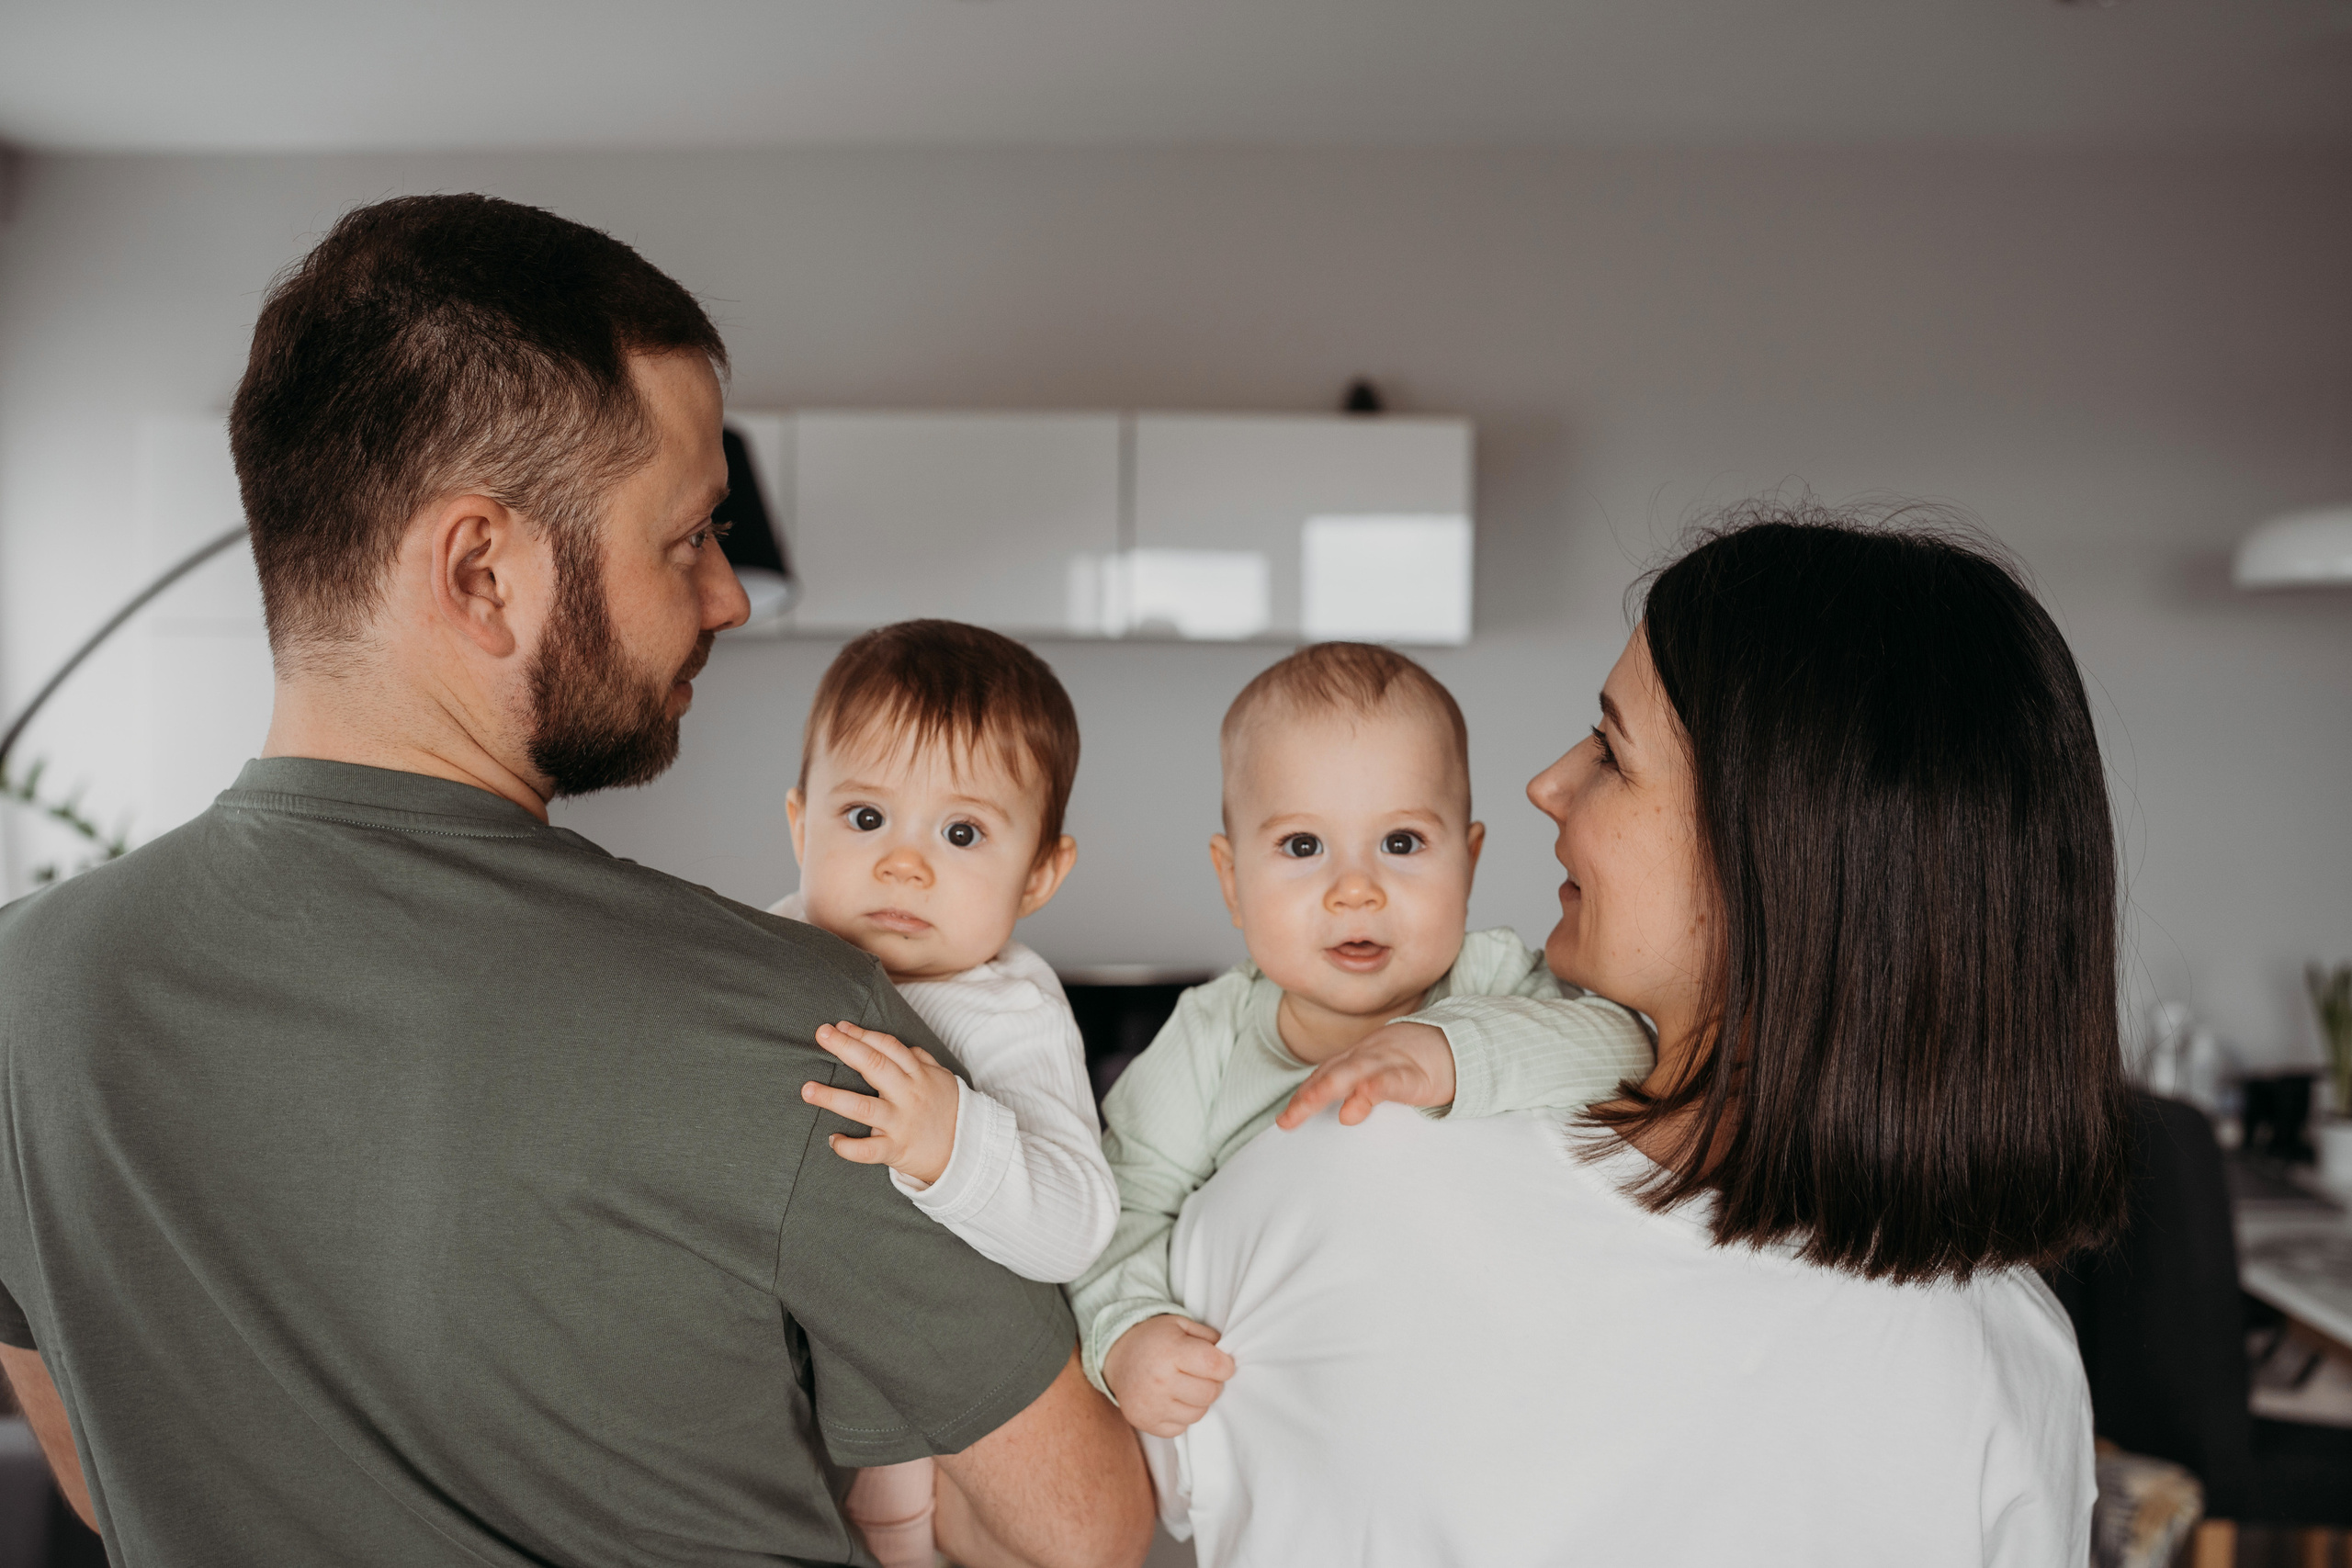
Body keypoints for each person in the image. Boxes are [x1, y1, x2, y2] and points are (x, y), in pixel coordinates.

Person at [0, 194, 1151, 1568]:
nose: (726, 596)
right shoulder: (798, 1023)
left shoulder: (23, 990)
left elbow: (88, 1462)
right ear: (483, 570)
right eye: (688, 536)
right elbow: (1080, 1527)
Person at [1148, 511, 2132, 1565]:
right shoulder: (2015, 1357)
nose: (1548, 784)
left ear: (1772, 855)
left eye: (1612, 754)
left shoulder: (1344, 1170)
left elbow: (1066, 1524)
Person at [1069, 642, 1656, 1436]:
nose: (1356, 888)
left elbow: (1624, 1047)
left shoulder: (1490, 984)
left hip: (1486, 1378)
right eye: (1303, 846)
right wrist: (1128, 1329)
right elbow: (1120, 1207)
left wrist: (1450, 1051)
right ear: (1231, 879)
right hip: (1295, 1406)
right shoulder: (1210, 1036)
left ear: (1469, 862)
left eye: (1403, 843)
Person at [768, 619, 1119, 1568]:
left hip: (935, 1438)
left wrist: (950, 1139)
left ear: (1040, 873)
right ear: (802, 826)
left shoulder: (1005, 1012)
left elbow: (1075, 1224)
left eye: (961, 832)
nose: (903, 863)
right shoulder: (765, 958)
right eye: (865, 818)